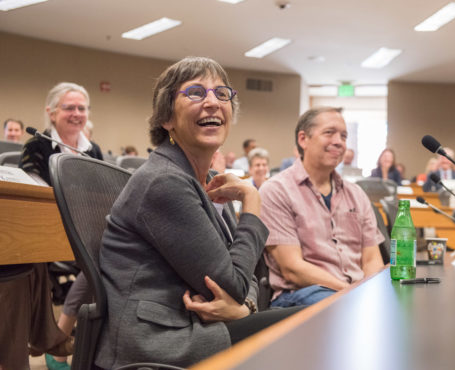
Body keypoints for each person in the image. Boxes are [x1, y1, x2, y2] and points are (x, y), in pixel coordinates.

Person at [95, 57, 301, 368]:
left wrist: (243, 308)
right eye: (195, 92)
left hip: (198, 326)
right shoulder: (165, 181)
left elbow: (250, 276)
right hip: (162, 341)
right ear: (167, 119)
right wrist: (253, 205)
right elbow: (235, 281)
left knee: (317, 316)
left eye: (221, 94)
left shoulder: (204, 182)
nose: (212, 103)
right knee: (308, 322)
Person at [259, 106, 385, 308]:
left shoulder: (356, 194)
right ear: (303, 139)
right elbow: (292, 268)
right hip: (301, 295)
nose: (339, 141)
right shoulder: (276, 190)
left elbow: (372, 260)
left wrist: (369, 293)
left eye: (343, 136)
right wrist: (353, 293)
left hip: (354, 294)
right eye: (329, 133)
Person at [19, 82, 104, 370]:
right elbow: (33, 191)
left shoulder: (93, 150)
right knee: (100, 259)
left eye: (82, 108)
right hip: (49, 233)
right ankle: (61, 341)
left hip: (88, 234)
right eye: (69, 107)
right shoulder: (37, 146)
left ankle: (61, 338)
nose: (77, 113)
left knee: (107, 256)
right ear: (52, 113)